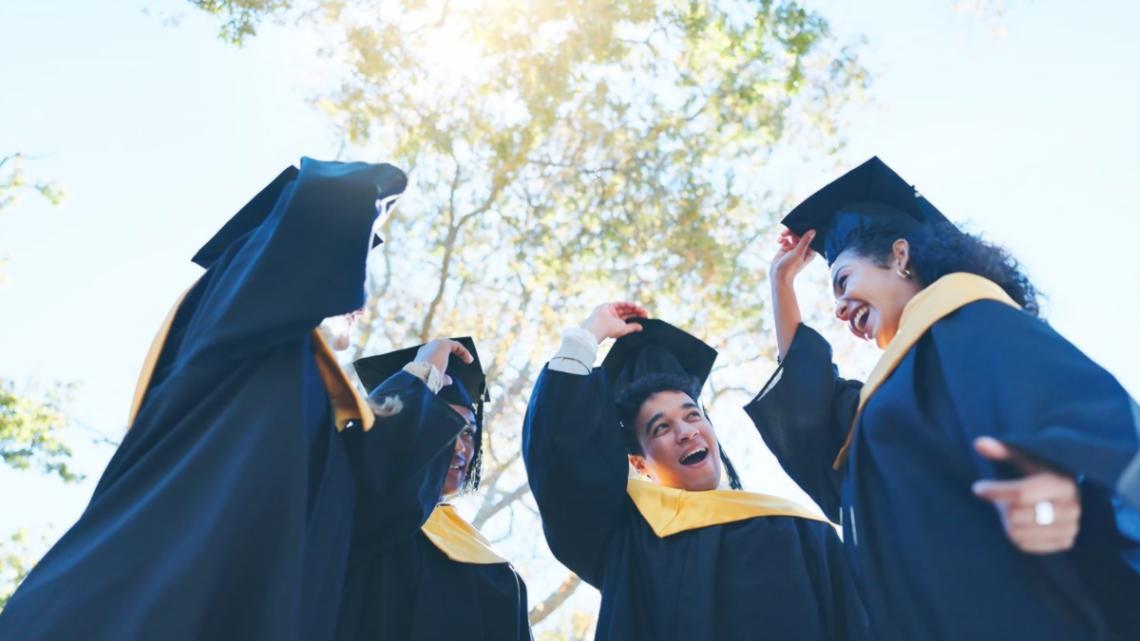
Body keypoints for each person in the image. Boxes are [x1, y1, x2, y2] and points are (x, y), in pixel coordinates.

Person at [0, 158, 407, 641]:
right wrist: (364, 194)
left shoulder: (309, 397)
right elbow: (301, 235)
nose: (359, 300)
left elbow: (382, 501)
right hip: (135, 608)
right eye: (353, 253)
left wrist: (425, 379)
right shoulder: (241, 329)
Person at [749, 156, 1140, 640]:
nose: (840, 309)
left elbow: (1096, 444)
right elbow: (815, 420)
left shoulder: (971, 321)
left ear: (899, 255)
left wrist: (1063, 509)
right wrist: (780, 284)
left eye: (843, 281)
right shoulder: (892, 391)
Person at [523, 303, 870, 641]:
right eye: (661, 428)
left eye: (692, 416)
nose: (686, 432)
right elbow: (559, 459)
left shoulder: (799, 530)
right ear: (638, 463)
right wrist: (589, 334)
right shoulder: (626, 537)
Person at [334, 337, 532, 641]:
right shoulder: (352, 517)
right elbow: (367, 466)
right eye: (441, 423)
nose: (459, 446)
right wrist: (424, 373)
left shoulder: (495, 575)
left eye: (468, 432)